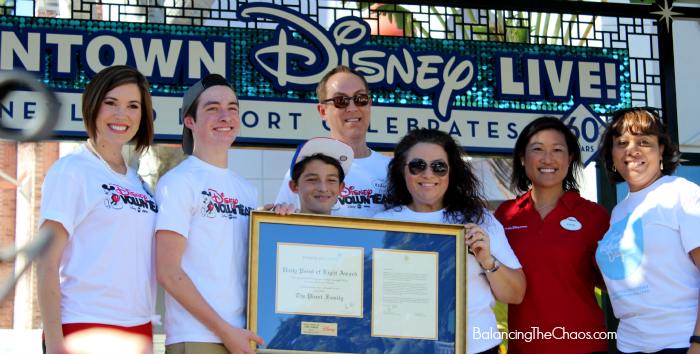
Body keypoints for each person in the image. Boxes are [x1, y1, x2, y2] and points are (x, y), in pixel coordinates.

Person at [37, 65, 158, 353]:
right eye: (111, 103)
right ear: (93, 105)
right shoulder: (72, 170)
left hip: (139, 328)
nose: (121, 115)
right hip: (84, 325)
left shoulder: (139, 182)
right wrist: (55, 342)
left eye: (133, 106)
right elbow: (46, 261)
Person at [372, 128, 526, 354]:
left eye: (439, 166)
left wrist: (487, 260)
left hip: (477, 348)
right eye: (417, 165)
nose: (428, 174)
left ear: (451, 172)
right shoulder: (380, 225)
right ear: (402, 170)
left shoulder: (480, 220)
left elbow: (516, 294)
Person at [154, 74, 264, 354]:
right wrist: (225, 331)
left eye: (232, 108)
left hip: (241, 334)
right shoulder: (178, 182)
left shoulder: (247, 190)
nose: (225, 116)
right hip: (197, 336)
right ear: (189, 121)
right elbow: (168, 271)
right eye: (212, 108)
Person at [494, 117, 609, 354]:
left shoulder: (594, 215)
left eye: (557, 150)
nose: (547, 159)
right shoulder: (505, 215)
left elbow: (609, 281)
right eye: (538, 150)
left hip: (584, 346)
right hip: (523, 347)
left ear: (570, 159)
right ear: (523, 159)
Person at [597, 107, 700, 354]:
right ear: (612, 154)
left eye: (644, 141)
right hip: (630, 344)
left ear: (660, 149)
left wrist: (698, 342)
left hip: (680, 343)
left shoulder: (682, 193)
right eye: (622, 142)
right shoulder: (620, 211)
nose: (632, 150)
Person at [272, 65, 391, 217]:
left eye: (360, 99)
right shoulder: (300, 172)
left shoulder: (394, 171)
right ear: (323, 111)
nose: (352, 107)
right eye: (341, 100)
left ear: (369, 104)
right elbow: (282, 231)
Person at [287, 137, 354, 215]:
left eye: (331, 180)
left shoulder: (350, 227)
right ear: (295, 186)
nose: (323, 188)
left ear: (340, 188)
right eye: (312, 179)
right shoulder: (278, 225)